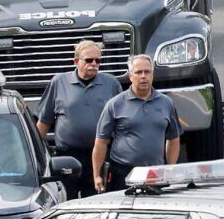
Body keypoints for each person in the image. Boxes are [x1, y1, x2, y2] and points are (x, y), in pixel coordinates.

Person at [36, 40, 120, 196]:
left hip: (100, 156)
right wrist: (35, 154)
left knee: (97, 204)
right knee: (67, 200)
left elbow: (122, 121)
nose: (94, 64)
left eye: (98, 61)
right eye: (89, 60)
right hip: (67, 157)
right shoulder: (59, 82)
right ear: (76, 61)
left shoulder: (111, 84)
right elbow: (44, 121)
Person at [92, 55, 182, 192]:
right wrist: (97, 175)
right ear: (130, 76)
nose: (143, 76)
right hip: (123, 173)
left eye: (147, 72)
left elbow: (173, 138)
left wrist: (169, 169)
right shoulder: (115, 104)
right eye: (138, 72)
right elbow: (101, 142)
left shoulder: (166, 103)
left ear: (152, 74)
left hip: (156, 173)